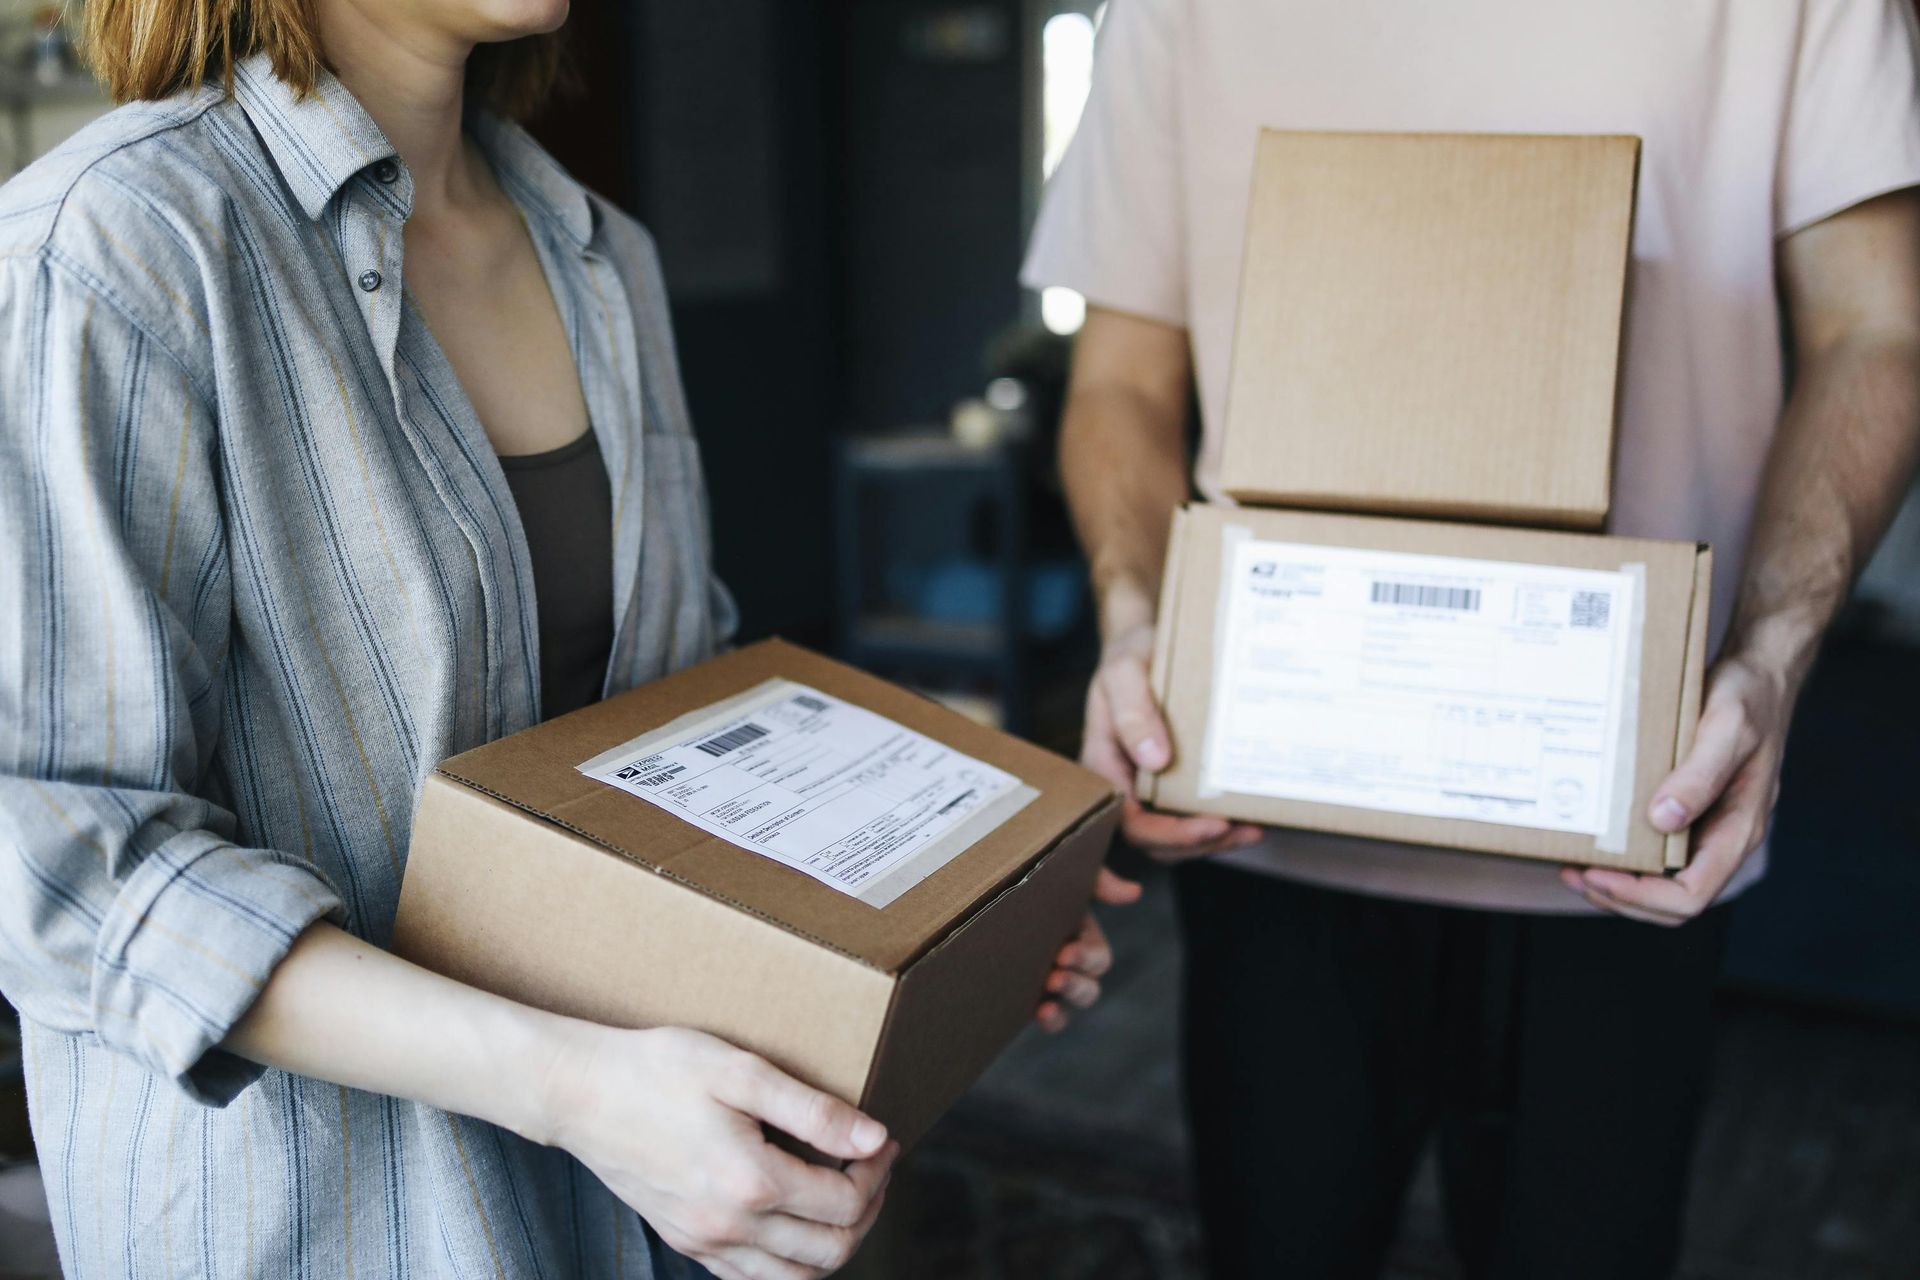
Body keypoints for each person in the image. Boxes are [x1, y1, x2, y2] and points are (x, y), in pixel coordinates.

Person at [0, 2, 1114, 1277]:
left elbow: (676, 728)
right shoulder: (109, 247)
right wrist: (572, 1088)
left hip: (630, 1220)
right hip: (333, 1223)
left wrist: (947, 915)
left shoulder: (602, 256)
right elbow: (53, 853)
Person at [1026, 1, 1920, 1276]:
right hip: (1275, 806)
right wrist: (1134, 615)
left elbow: (1878, 325)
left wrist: (1772, 658)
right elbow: (1119, 373)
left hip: (1632, 822)